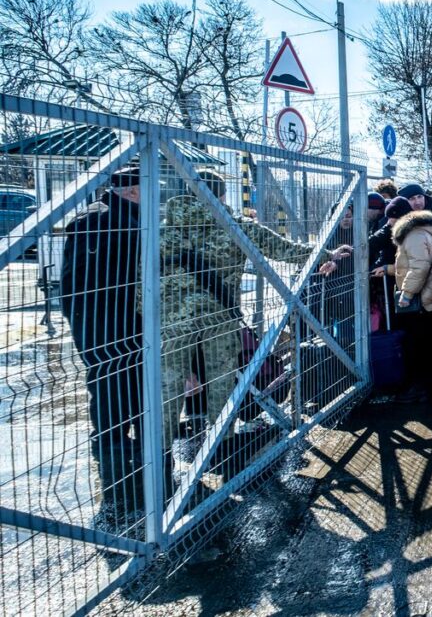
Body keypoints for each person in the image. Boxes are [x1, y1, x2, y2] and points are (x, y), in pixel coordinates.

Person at [158, 170, 328, 446]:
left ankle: (160, 462)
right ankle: (221, 446)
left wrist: (148, 318)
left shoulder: (163, 231)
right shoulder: (234, 226)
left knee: (169, 388)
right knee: (221, 383)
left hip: (171, 324)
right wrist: (327, 254)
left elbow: (143, 282)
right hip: (219, 320)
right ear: (222, 195)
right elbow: (284, 250)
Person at [60, 165, 145, 511]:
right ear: (132, 191)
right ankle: (121, 475)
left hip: (95, 323)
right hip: (120, 322)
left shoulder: (92, 218)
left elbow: (69, 284)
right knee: (125, 387)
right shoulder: (120, 221)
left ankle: (118, 454)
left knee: (111, 386)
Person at [385, 206, 432, 402]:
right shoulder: (423, 234)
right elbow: (411, 265)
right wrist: (388, 269)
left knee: (419, 345)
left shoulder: (415, 236)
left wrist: (407, 293)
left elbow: (419, 267)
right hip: (428, 297)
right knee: (427, 344)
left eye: (391, 218)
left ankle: (422, 389)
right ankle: (431, 388)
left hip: (422, 301)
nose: (388, 223)